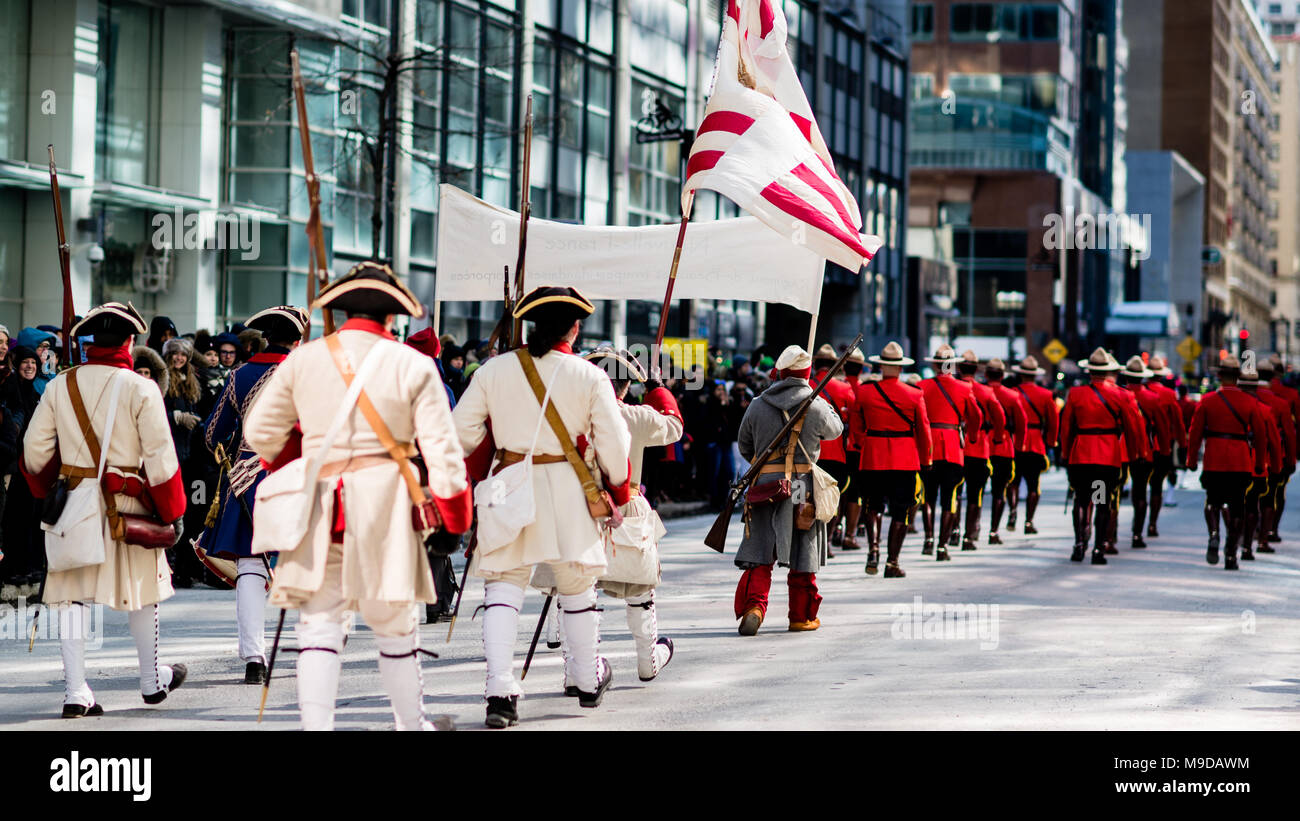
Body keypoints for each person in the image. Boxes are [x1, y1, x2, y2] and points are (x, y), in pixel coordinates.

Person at [245, 263, 471, 731]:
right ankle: (411, 724)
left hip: (318, 502)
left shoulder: (305, 358)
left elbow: (260, 431)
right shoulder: (413, 363)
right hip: (388, 503)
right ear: (393, 316)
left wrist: (307, 455)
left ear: (343, 307)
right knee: (395, 628)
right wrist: (453, 519)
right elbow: (443, 452)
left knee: (319, 628)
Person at [453, 285, 630, 727]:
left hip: (508, 485)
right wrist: (619, 490)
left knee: (502, 591)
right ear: (574, 327)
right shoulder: (590, 376)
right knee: (576, 587)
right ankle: (588, 681)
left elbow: (460, 434)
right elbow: (615, 444)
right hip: (569, 491)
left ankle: (500, 692)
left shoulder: (494, 370)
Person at [21, 302, 189, 717]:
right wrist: (171, 510)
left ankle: (76, 692)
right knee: (144, 594)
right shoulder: (141, 387)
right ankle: (151, 683)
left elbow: (33, 451)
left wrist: (51, 490)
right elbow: (161, 458)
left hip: (74, 504)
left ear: (92, 341)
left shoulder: (60, 384)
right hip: (127, 506)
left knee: (72, 598)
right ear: (130, 342)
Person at [201, 306, 308, 684]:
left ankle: (254, 659)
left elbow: (212, 434)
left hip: (246, 476)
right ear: (297, 340)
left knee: (249, 567)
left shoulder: (239, 376)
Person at [581, 346, 683, 683]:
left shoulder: (573, 415)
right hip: (627, 504)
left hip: (579, 504)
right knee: (640, 591)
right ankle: (647, 659)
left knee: (575, 592)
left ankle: (577, 670)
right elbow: (674, 426)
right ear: (626, 387)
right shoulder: (635, 416)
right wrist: (655, 387)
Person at [733, 345, 843, 631]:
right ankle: (800, 615)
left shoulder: (757, 403)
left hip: (766, 484)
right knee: (803, 550)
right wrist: (821, 396)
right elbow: (836, 430)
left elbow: (745, 445)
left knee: (761, 550)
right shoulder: (816, 404)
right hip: (800, 487)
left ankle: (755, 606)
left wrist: (768, 466)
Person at [850, 342, 931, 577]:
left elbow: (855, 427)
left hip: (873, 455)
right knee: (901, 511)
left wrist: (860, 444)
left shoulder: (864, 392)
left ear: (881, 365)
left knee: (872, 506)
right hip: (905, 457)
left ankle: (873, 550)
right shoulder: (915, 394)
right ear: (901, 368)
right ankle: (892, 562)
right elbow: (923, 431)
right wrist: (926, 460)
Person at [1059, 348, 1143, 565]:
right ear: (1107, 371)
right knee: (1102, 502)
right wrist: (1134, 455)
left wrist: (1065, 453)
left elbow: (1066, 427)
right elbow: (1132, 429)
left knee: (1081, 500)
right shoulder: (1121, 395)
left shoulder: (1076, 394)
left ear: (1089, 371)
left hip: (1081, 456)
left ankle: (1079, 544)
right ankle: (1098, 549)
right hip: (1106, 458)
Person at [1185, 355, 1267, 571]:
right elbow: (1260, 436)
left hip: (1214, 459)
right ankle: (1231, 552)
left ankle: (1214, 534)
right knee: (1237, 506)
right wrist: (1260, 463)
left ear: (1219, 376)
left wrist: (1191, 459)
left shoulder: (1207, 400)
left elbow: (1194, 433)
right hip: (1240, 460)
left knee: (1212, 501)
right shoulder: (1250, 402)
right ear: (1238, 378)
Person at [917, 345, 982, 561]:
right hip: (953, 446)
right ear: (953, 365)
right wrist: (971, 435)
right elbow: (976, 416)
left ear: (935, 364)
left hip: (928, 447)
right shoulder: (965, 388)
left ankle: (928, 539)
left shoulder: (921, 386)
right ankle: (942, 547)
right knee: (950, 497)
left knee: (928, 496)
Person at [0, 345, 45, 585]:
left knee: (30, 516)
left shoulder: (37, 393)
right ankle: (13, 568)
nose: (30, 367)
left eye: (34, 363)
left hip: (31, 461)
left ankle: (27, 566)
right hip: (14, 460)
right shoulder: (12, 388)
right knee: (14, 517)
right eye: (26, 362)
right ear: (17, 365)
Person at [955, 350, 1005, 550]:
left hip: (956, 446)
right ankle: (968, 536)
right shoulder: (985, 392)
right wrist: (999, 437)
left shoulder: (955, 388)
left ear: (959, 368)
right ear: (977, 370)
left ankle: (953, 531)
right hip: (979, 447)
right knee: (976, 494)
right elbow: (1000, 417)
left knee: (956, 493)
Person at [810, 344, 856, 550]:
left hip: (808, 453)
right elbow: (852, 419)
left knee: (809, 498)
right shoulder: (844, 388)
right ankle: (826, 541)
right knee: (832, 498)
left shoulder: (806, 384)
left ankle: (810, 541)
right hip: (836, 452)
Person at [1236, 364, 1282, 563]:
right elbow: (1275, 440)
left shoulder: (1216, 401)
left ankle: (1232, 537)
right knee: (1260, 503)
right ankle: (1256, 541)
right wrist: (1278, 465)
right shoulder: (1267, 407)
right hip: (1257, 463)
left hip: (1231, 462)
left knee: (1232, 503)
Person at [1007, 356, 1057, 535]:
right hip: (1035, 442)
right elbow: (1053, 422)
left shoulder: (1012, 392)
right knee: (1033, 485)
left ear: (1020, 374)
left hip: (1014, 441)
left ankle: (1012, 512)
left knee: (1013, 482)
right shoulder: (1046, 395)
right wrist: (1051, 442)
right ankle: (1029, 521)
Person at [1117, 357, 1163, 548]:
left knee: (1111, 493)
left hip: (1117, 449)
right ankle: (1137, 534)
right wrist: (1164, 451)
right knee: (1140, 493)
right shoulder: (1153, 398)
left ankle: (1108, 535)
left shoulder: (1117, 394)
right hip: (1143, 451)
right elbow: (1161, 428)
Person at [1253, 360, 1294, 553]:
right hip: (1275, 453)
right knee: (1274, 495)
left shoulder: (1249, 397)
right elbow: (1290, 433)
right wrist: (1292, 458)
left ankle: (1250, 532)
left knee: (1249, 496)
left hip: (1249, 454)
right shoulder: (1286, 399)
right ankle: (1269, 531)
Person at [983, 358, 1025, 544]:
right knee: (999, 491)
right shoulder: (1012, 396)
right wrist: (1019, 447)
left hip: (979, 443)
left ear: (986, 374)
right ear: (1002, 375)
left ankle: (970, 530)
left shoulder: (977, 391)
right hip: (1003, 445)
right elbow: (1021, 424)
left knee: (975, 491)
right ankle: (993, 531)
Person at [1144, 355, 1186, 533]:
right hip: (1163, 446)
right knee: (1157, 487)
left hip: (1141, 445)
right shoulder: (1169, 395)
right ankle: (1152, 523)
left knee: (1138, 487)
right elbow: (1178, 422)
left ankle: (1135, 529)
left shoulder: (1137, 392)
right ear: (1161, 375)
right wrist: (1183, 445)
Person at [1265, 354, 1299, 543]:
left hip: (1254, 450)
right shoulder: (1291, 395)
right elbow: (1294, 429)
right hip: (1282, 448)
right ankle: (1272, 529)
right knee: (1278, 491)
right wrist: (1294, 456)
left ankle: (1257, 528)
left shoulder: (1252, 393)